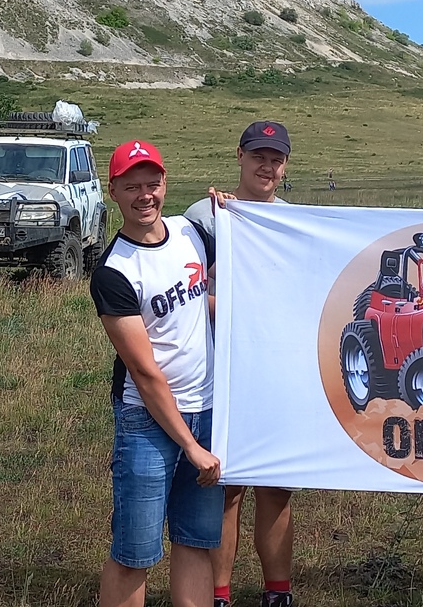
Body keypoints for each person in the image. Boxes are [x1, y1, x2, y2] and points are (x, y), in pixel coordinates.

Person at [93, 139, 223, 607]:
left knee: (196, 540)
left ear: (165, 184)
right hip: (148, 423)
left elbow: (201, 298)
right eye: (132, 187)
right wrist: (192, 447)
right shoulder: (115, 270)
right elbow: (144, 372)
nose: (144, 196)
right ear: (114, 192)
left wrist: (231, 212)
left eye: (152, 184)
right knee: (135, 552)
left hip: (205, 410)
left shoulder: (191, 232)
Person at [185, 121, 295, 607]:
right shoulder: (205, 217)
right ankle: (221, 594)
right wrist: (230, 308)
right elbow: (187, 295)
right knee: (225, 490)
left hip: (273, 372)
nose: (266, 166)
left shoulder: (294, 222)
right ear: (240, 156)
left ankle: (277, 592)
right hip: (221, 374)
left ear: (285, 164)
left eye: (275, 158)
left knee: (276, 489)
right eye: (258, 156)